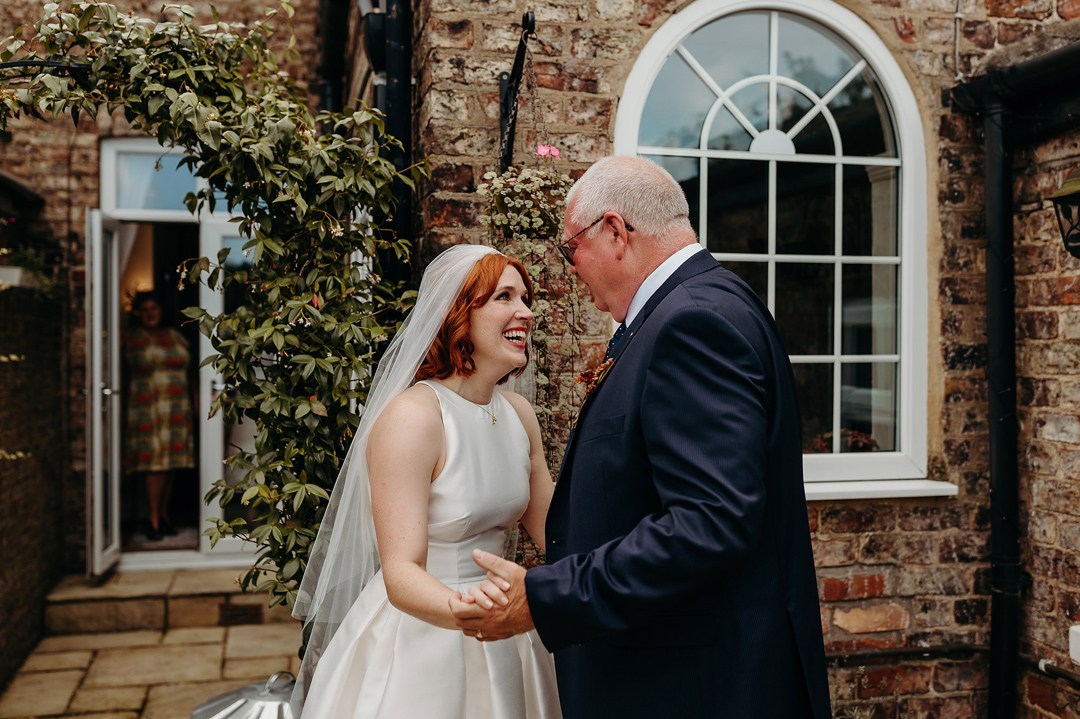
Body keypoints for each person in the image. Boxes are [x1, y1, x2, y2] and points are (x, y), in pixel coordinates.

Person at [450, 156, 832, 719]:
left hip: (695, 686)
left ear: (615, 231)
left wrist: (546, 596)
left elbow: (709, 522)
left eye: (570, 248)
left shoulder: (692, 323)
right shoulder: (703, 304)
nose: (570, 269)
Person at [292, 245, 562, 719]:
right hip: (425, 637)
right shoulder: (414, 417)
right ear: (459, 314)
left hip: (509, 630)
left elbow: (560, 534)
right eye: (504, 297)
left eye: (525, 297)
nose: (526, 312)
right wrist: (478, 614)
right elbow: (400, 575)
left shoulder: (519, 414)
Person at [122, 291, 195, 541]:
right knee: (155, 465)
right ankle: (152, 518)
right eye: (145, 309)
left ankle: (162, 515)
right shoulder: (131, 338)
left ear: (161, 311)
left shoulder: (174, 335)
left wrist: (196, 404)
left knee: (172, 463)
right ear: (138, 314)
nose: (150, 313)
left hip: (177, 408)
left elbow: (191, 372)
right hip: (147, 409)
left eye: (154, 308)